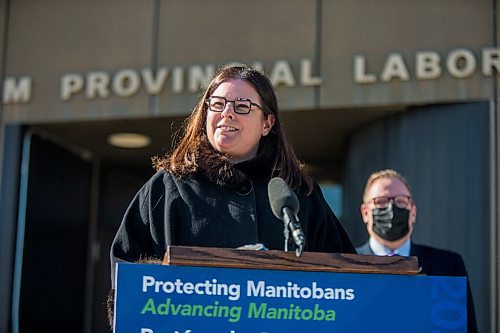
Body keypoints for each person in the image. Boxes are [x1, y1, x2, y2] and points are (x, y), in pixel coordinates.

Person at [109, 64, 356, 285]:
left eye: (242, 106)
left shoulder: (297, 193)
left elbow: (345, 277)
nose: (227, 113)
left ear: (267, 123)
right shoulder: (168, 187)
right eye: (217, 104)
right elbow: (128, 274)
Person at [356, 169, 478, 333]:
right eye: (381, 201)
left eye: (400, 201)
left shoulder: (448, 266)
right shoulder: (344, 267)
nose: (391, 208)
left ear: (413, 212)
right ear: (365, 212)